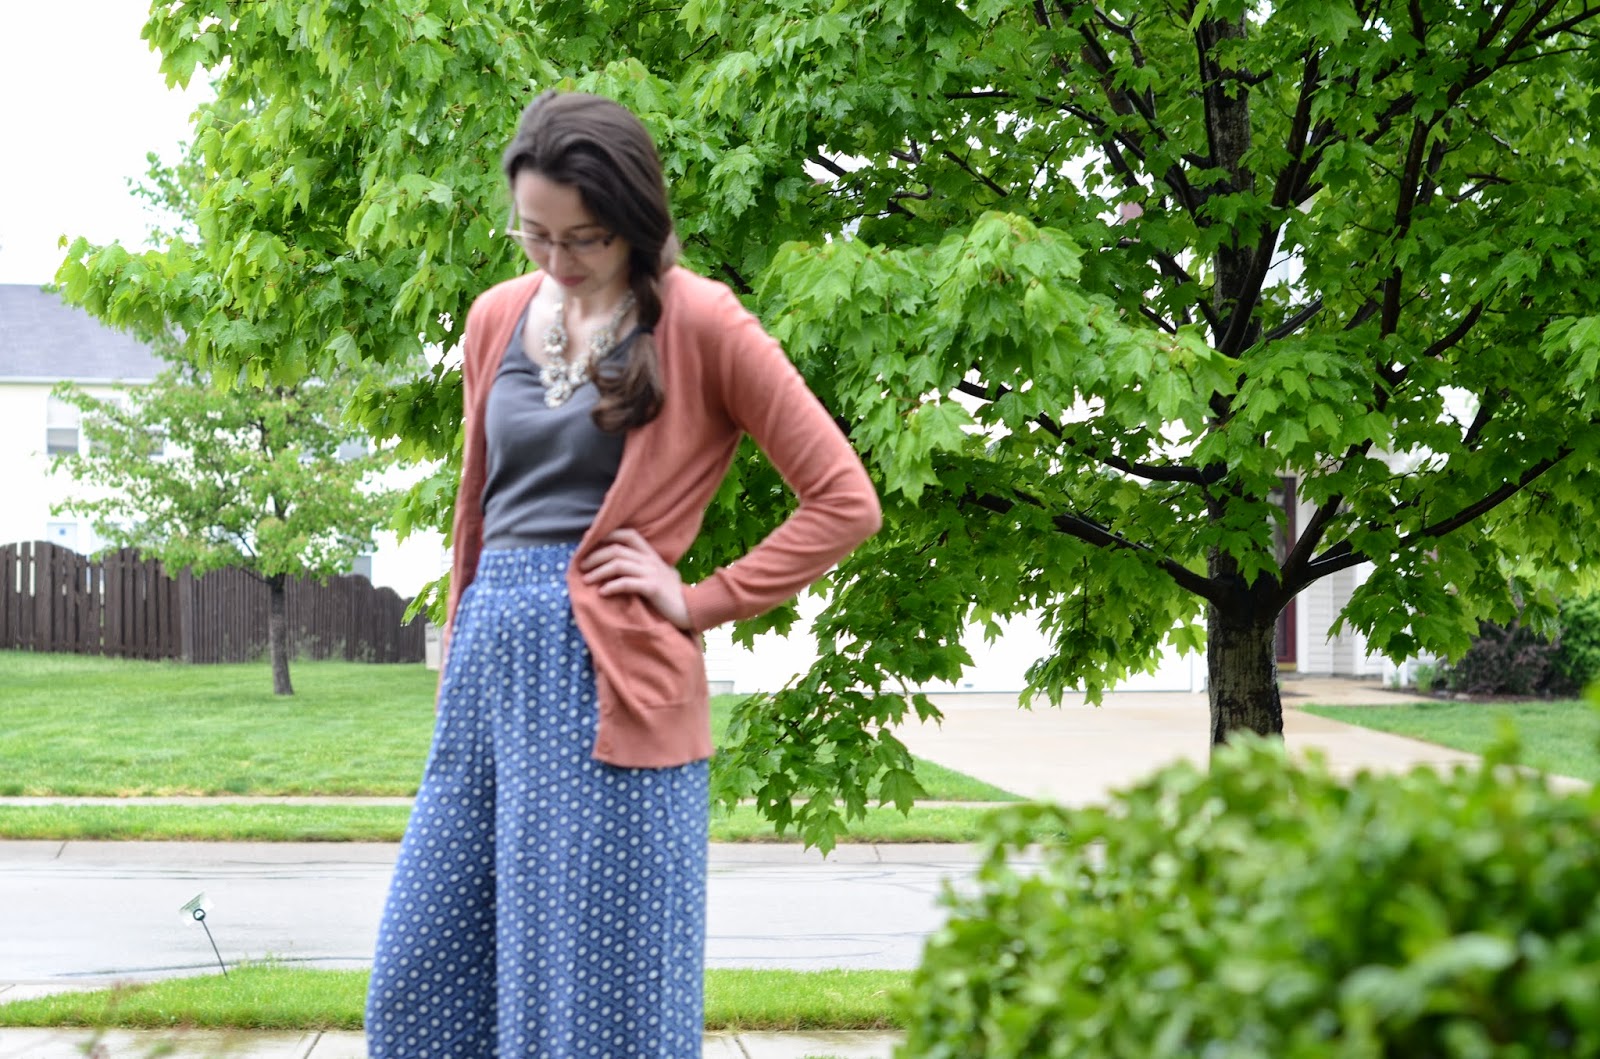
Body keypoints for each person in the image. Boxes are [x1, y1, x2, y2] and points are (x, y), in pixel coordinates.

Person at [364, 90, 882, 1058]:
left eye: (584, 239)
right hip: (489, 681)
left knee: (599, 1009)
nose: (556, 260)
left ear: (634, 222)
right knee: (422, 983)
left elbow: (844, 500)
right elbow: (477, 513)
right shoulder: (495, 317)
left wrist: (699, 599)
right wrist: (459, 648)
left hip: (612, 685)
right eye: (534, 235)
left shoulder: (702, 321)